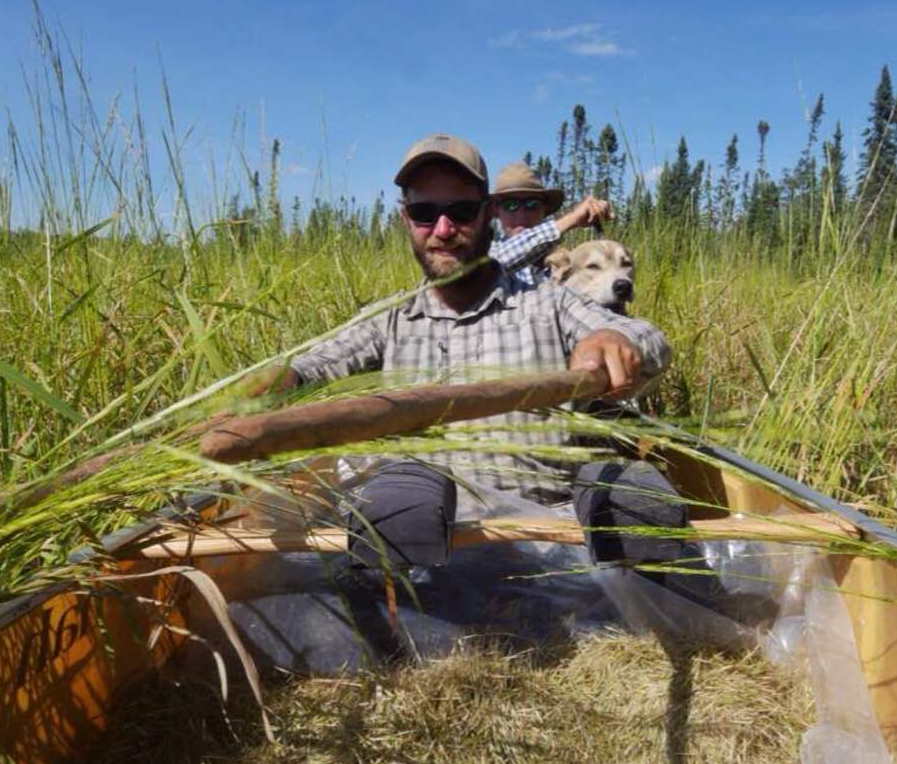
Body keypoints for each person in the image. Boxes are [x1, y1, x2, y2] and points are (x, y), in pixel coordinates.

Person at [245, 134, 670, 505]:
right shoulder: (390, 320)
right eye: (426, 214)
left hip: (542, 544)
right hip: (417, 545)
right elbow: (312, 366)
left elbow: (646, 336)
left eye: (461, 212)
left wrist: (613, 339)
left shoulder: (548, 304)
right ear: (406, 220)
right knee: (398, 508)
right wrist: (270, 386)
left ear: (487, 215)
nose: (444, 229)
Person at [488, 161, 612, 284]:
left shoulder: (566, 264)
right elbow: (498, 262)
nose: (522, 214)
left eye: (532, 205)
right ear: (496, 211)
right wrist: (573, 219)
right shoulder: (486, 254)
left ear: (544, 210)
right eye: (510, 205)